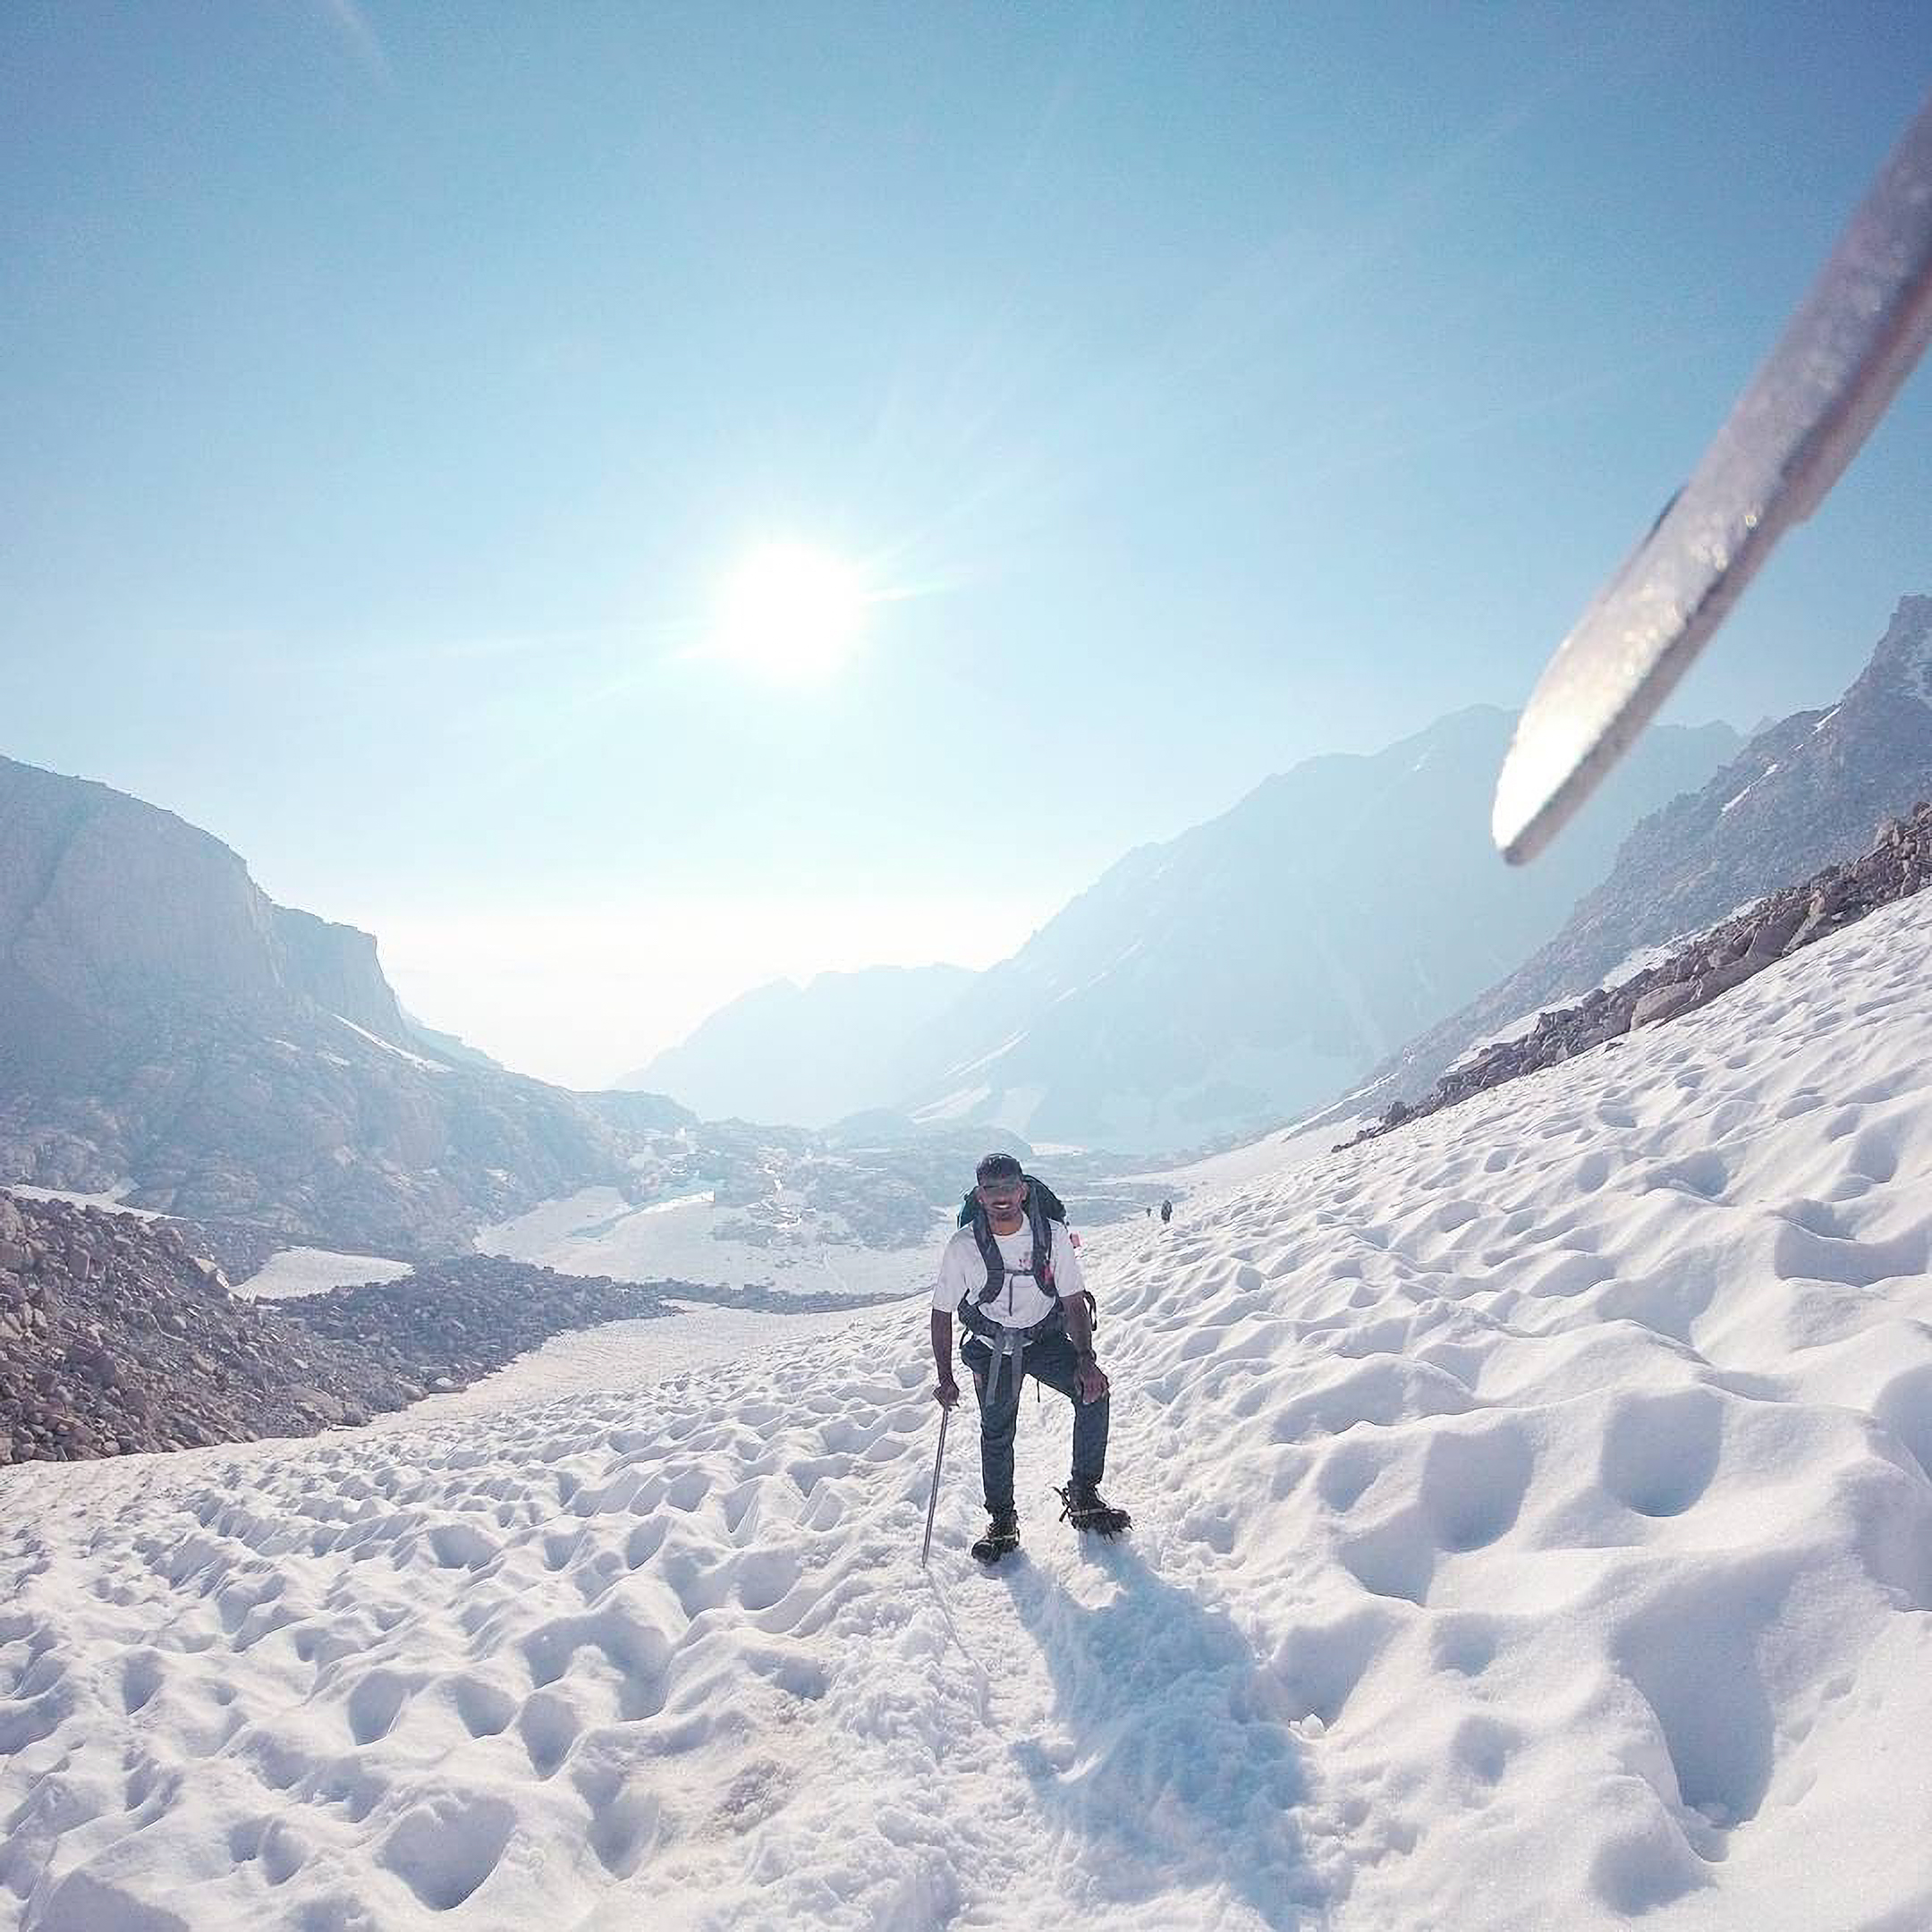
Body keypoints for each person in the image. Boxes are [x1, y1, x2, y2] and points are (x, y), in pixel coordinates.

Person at [930, 1152, 1130, 1560]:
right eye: (991, 1190)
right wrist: (944, 1376)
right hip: (992, 1348)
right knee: (997, 1432)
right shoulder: (963, 1246)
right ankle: (1002, 1519)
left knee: (1094, 1393)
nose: (1001, 1197)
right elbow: (941, 1312)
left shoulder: (1051, 1235)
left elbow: (1073, 1301)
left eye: (1008, 1188)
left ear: (1023, 1191)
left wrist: (1086, 1360)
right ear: (980, 1197)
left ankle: (1083, 1492)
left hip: (1044, 1338)